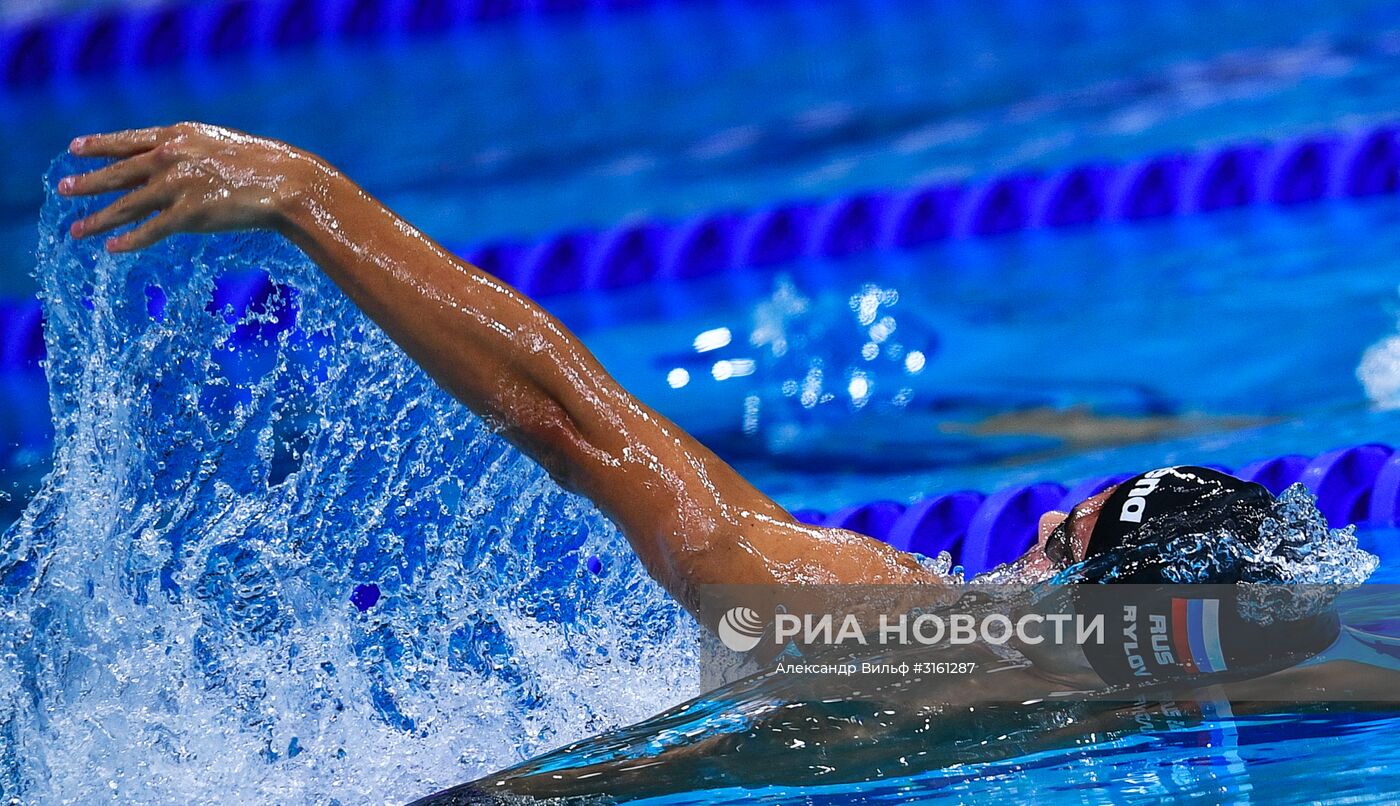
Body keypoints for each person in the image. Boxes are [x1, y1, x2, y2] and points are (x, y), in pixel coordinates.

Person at [56, 123, 1369, 682]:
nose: (1010, 543)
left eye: (1048, 535)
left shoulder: (886, 625)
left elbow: (570, 419)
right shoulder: (1252, 678)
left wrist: (305, 191)